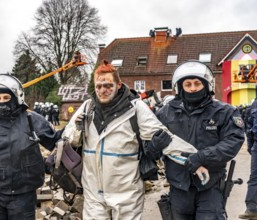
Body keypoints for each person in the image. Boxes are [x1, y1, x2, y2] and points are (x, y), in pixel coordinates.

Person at [62, 60, 194, 219]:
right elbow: (67, 140)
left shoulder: (135, 108)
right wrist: (77, 129)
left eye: (108, 85)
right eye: (99, 86)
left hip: (126, 193)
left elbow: (164, 138)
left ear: (118, 85)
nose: (103, 90)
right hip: (93, 193)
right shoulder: (87, 108)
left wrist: (196, 159)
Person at [0, 74, 63, 219]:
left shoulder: (32, 120)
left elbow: (58, 142)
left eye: (6, 98)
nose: (2, 102)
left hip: (24, 198)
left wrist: (75, 126)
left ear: (16, 97)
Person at [156, 60, 245, 219]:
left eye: (197, 83)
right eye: (188, 84)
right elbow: (149, 145)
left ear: (207, 85)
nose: (192, 88)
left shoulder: (224, 111)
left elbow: (233, 141)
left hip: (210, 186)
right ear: (180, 86)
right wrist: (154, 146)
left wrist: (203, 157)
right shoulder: (165, 113)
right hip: (178, 188)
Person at [239, 98, 257, 219]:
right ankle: (252, 209)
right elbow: (249, 126)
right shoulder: (255, 103)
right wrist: (251, 147)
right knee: (254, 177)